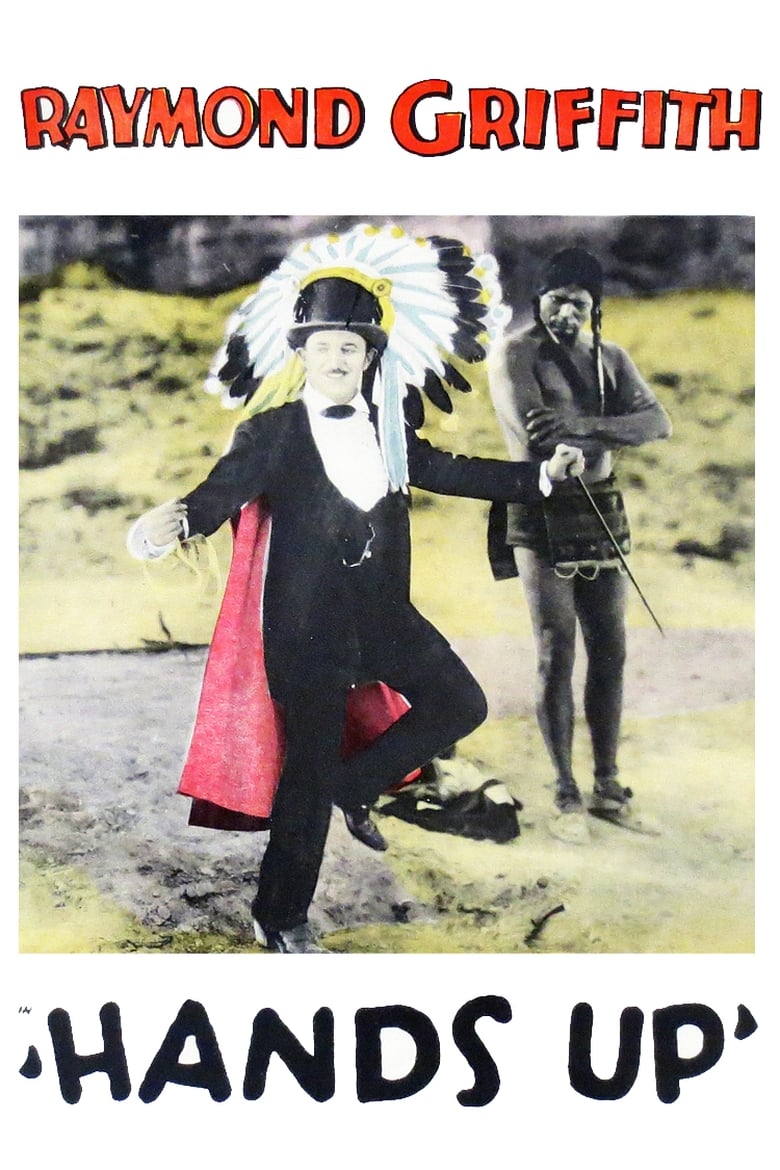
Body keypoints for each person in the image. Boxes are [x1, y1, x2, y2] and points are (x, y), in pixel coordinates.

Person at [128, 224, 585, 952]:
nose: (338, 359)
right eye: (324, 347)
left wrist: (541, 477)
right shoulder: (272, 432)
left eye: (351, 347)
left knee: (460, 703)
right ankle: (281, 915)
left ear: (371, 355)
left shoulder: (390, 425)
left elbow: (449, 470)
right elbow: (220, 493)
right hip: (305, 628)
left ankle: (358, 784)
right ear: (302, 353)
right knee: (304, 778)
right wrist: (175, 522)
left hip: (382, 615)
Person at [488, 247, 672, 844]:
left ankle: (608, 787)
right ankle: (565, 792)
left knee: (611, 649)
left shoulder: (610, 358)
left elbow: (658, 423)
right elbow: (536, 434)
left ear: (595, 308)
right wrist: (601, 433)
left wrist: (585, 426)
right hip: (539, 504)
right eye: (556, 300)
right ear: (538, 299)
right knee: (556, 648)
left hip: (603, 505)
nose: (565, 313)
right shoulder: (516, 353)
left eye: (578, 304)